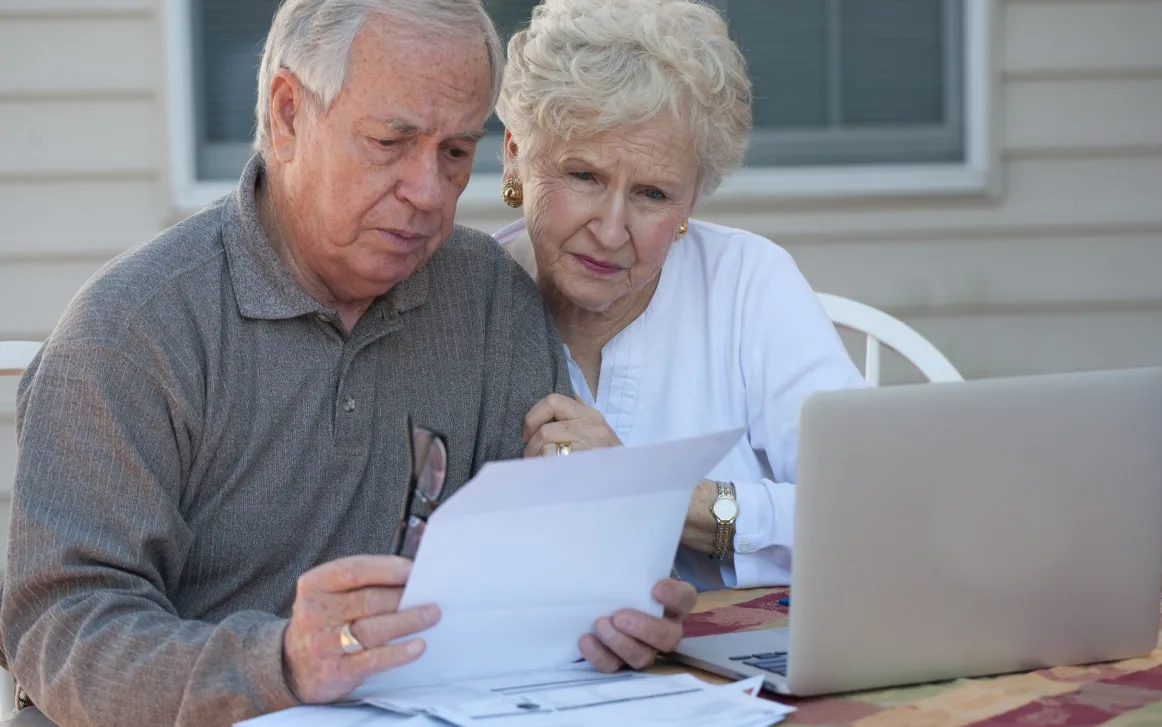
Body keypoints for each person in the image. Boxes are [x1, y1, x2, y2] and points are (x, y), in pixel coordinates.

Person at [0, 2, 696, 725]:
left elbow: (537, 570)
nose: (428, 192)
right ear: (289, 115)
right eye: (391, 142)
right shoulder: (132, 331)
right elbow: (61, 629)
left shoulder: (489, 299)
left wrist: (611, 604)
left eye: (455, 153)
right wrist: (282, 665)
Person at [495, 0, 866, 594]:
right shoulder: (463, 306)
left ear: (692, 201)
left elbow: (871, 506)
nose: (612, 230)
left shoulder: (747, 283)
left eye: (652, 193)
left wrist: (654, 497)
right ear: (516, 154)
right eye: (584, 175)